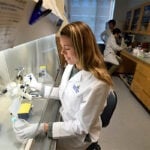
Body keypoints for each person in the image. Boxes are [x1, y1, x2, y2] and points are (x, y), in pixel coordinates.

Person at [14, 21, 113, 150]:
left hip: (78, 138)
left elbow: (81, 126)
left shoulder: (98, 84)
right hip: (65, 122)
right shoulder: (72, 66)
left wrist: (44, 127)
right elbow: (63, 92)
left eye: (66, 48)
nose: (62, 53)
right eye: (61, 47)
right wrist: (38, 87)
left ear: (82, 48)